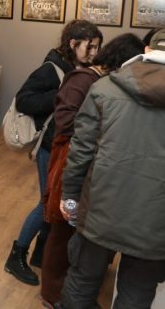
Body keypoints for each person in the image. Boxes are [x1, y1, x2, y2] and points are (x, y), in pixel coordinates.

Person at [58, 30, 165, 309]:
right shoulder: (105, 88)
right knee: (136, 294)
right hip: (154, 220)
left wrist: (70, 196)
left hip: (100, 207)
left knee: (82, 281)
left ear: (146, 49)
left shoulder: (105, 88)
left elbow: (81, 151)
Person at [40, 33, 145, 307]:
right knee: (59, 229)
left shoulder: (105, 84)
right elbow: (65, 122)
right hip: (69, 160)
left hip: (88, 170)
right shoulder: (85, 80)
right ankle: (52, 292)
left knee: (69, 235)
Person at [4, 19, 102, 287]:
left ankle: (40, 254)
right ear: (73, 43)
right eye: (90, 47)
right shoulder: (51, 69)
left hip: (61, 145)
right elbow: (24, 99)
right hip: (49, 145)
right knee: (46, 203)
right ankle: (16, 255)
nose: (94, 53)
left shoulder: (78, 69)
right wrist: (62, 95)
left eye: (97, 47)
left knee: (53, 203)